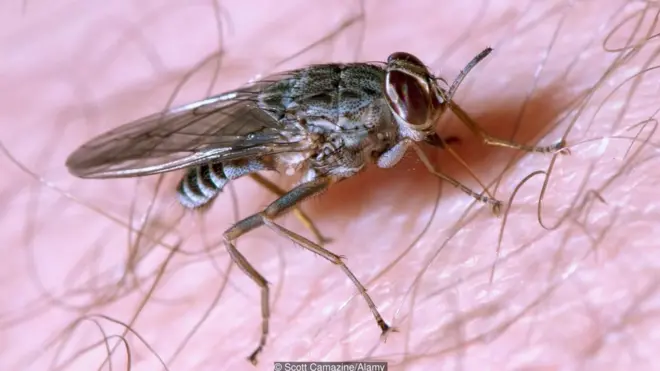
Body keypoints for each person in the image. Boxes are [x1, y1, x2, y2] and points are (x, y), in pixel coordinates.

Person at [3, 0, 656, 370]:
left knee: (416, 141)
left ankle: (493, 150)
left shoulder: (387, 99)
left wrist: (469, 136)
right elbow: (312, 131)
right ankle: (291, 295)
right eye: (414, 93)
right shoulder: (360, 124)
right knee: (240, 227)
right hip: (276, 141)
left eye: (413, 85)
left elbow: (415, 121)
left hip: (298, 122)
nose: (429, 95)